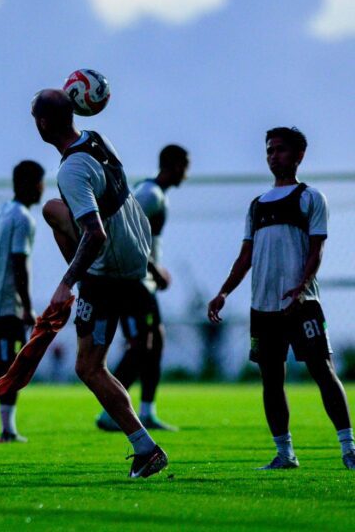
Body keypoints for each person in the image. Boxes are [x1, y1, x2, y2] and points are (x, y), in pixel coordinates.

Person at [33, 89, 168, 478]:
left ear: (43, 124)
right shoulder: (97, 138)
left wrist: (67, 282)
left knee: (89, 368)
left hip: (109, 272)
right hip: (136, 257)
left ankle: (146, 448)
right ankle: (143, 441)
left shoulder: (70, 171)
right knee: (52, 209)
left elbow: (95, 234)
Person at [207, 126, 355, 470]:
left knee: (323, 371)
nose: (274, 156)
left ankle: (349, 449)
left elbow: (317, 250)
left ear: (299, 155)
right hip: (263, 307)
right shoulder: (257, 205)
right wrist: (224, 292)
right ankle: (285, 454)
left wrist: (302, 286)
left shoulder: (310, 198)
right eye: (269, 151)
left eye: (280, 150)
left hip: (302, 304)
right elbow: (246, 256)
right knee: (271, 381)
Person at [97, 145, 189, 432]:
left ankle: (147, 411)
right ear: (175, 165)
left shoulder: (156, 193)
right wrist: (153, 267)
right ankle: (110, 412)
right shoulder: (150, 194)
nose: (186, 174)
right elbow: (122, 232)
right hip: (132, 281)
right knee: (140, 345)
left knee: (155, 341)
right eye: (185, 167)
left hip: (143, 282)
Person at [0, 160, 45, 443]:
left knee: (9, 365)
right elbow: (19, 263)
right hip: (7, 306)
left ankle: (7, 430)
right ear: (28, 184)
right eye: (40, 182)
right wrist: (26, 305)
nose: (42, 189)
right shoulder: (23, 218)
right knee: (1, 366)